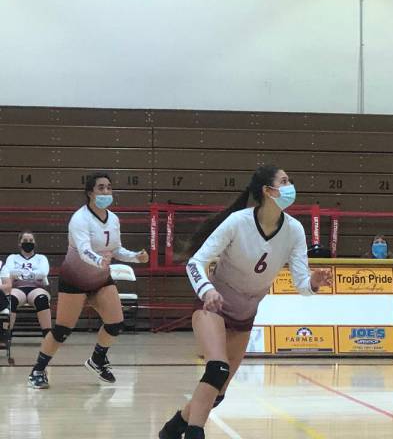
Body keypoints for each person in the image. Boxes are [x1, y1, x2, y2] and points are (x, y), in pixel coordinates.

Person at [158, 165, 332, 439]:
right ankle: (194, 433)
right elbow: (196, 262)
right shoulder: (238, 222)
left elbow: (301, 284)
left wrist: (313, 282)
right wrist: (206, 290)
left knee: (218, 393)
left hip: (246, 314)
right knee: (217, 368)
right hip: (213, 306)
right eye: (284, 181)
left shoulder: (295, 230)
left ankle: (173, 428)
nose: (290, 186)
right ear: (268, 190)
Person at [27, 172, 149, 389]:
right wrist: (98, 260)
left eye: (109, 187)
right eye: (101, 188)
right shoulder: (80, 219)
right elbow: (84, 251)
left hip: (100, 279)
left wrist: (134, 257)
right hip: (75, 278)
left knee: (116, 323)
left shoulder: (113, 219)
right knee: (62, 329)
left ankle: (97, 360)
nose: (106, 192)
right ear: (90, 193)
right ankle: (37, 369)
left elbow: (116, 249)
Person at [1, 231, 52, 337]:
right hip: (18, 288)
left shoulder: (41, 258)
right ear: (20, 243)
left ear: (35, 243)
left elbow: (43, 273)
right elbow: (10, 272)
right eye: (25, 240)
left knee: (42, 299)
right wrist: (34, 274)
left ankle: (47, 335)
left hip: (37, 288)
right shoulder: (13, 257)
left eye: (30, 240)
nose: (28, 243)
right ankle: (5, 335)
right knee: (11, 300)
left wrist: (19, 274)